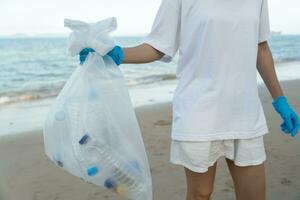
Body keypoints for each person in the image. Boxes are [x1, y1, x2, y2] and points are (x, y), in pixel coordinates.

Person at [79, 0, 300, 199]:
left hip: (245, 111)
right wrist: (116, 53)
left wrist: (280, 101)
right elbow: (157, 47)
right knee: (200, 194)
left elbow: (260, 47)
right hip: (198, 111)